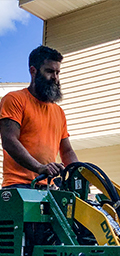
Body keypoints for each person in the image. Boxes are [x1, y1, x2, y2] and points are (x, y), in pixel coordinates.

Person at [0, 45, 78, 189]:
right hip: (19, 187)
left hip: (48, 187)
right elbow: (9, 141)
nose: (55, 77)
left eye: (57, 72)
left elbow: (66, 151)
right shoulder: (15, 100)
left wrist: (79, 173)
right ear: (33, 71)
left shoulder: (58, 111)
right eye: (49, 71)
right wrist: (39, 167)